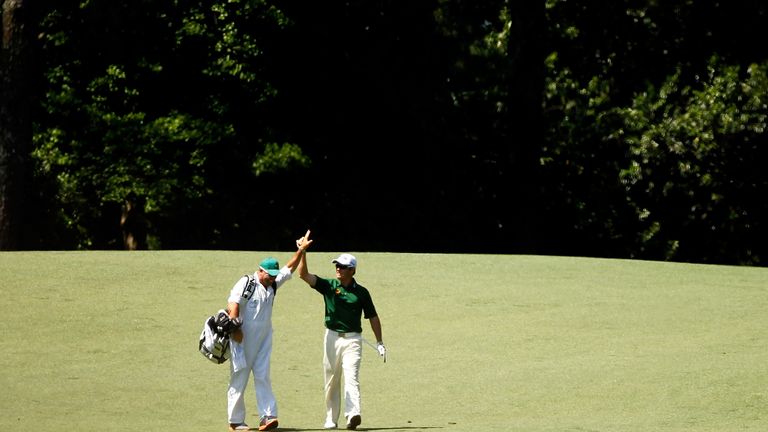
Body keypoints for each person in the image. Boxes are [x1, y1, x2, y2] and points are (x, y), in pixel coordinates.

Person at [226, 230, 314, 432]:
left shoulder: (272, 283)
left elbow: (289, 268)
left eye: (274, 276)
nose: (272, 278)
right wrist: (236, 328)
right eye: (269, 275)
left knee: (263, 375)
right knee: (239, 377)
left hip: (264, 338)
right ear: (260, 271)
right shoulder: (246, 282)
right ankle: (235, 421)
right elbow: (233, 304)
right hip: (242, 338)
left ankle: (267, 417)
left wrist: (300, 250)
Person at [297, 243, 386, 430]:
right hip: (331, 337)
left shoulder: (362, 292)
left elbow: (373, 317)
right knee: (331, 379)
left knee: (351, 375)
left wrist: (380, 342)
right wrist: (302, 252)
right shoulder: (329, 285)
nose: (338, 269)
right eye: (337, 265)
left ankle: (353, 414)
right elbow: (303, 275)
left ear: (352, 270)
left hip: (353, 339)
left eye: (343, 266)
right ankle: (331, 419)